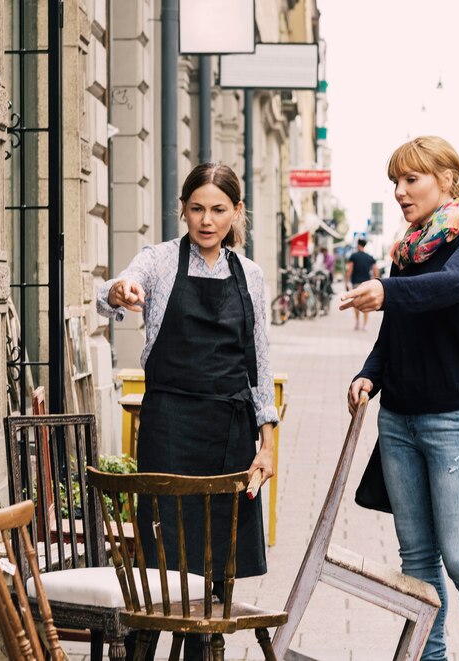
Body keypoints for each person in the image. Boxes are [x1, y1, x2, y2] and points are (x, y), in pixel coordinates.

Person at [340, 136, 459, 661]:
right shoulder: (407, 250)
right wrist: (369, 375)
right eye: (395, 181)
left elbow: (450, 285)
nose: (399, 191)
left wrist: (388, 292)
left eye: (410, 179)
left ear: (445, 178)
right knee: (416, 558)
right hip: (399, 421)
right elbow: (395, 333)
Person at [97, 162, 279, 660]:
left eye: (218, 209)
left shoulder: (251, 275)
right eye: (196, 208)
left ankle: (201, 654)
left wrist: (266, 445)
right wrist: (118, 292)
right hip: (169, 430)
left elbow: (260, 361)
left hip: (229, 435)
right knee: (163, 561)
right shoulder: (159, 262)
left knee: (216, 567)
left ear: (236, 212)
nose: (206, 220)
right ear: (183, 210)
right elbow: (116, 289)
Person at [345, 238, 379, 330]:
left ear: (358, 245)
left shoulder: (353, 256)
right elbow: (376, 269)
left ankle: (357, 322)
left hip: (356, 283)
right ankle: (365, 324)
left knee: (356, 303)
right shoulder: (369, 257)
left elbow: (349, 269)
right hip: (366, 283)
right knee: (366, 303)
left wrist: (346, 281)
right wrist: (376, 281)